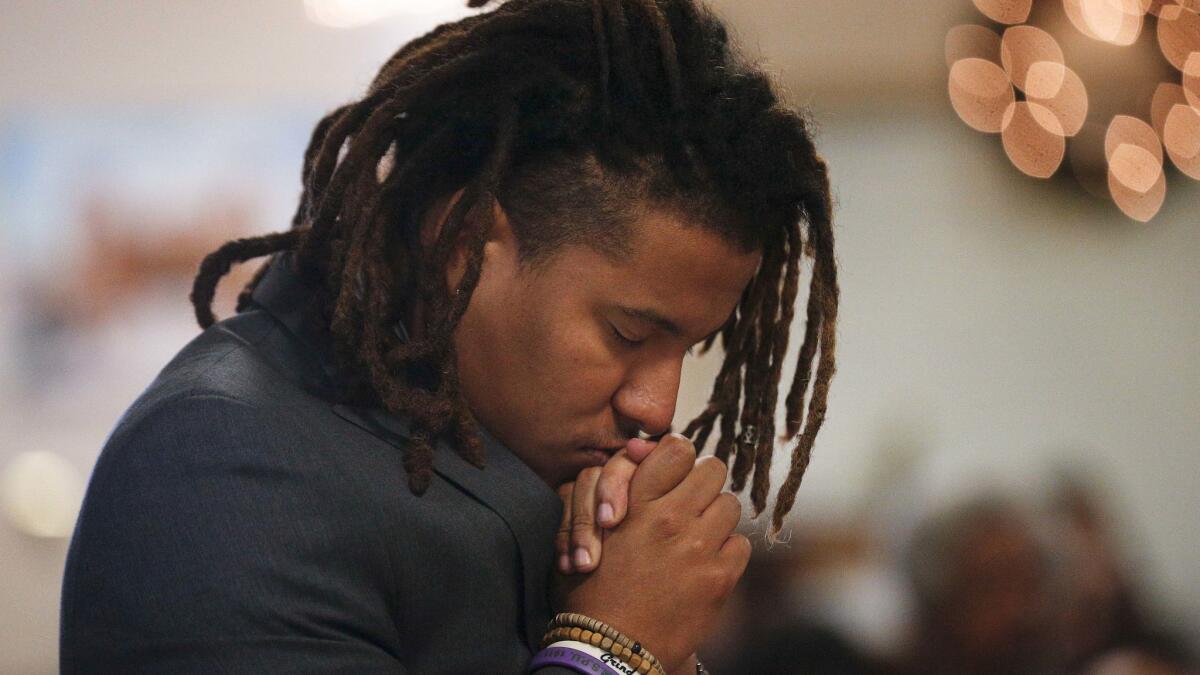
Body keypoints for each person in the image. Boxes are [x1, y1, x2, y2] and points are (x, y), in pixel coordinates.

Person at [59, 0, 839, 672]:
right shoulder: (220, 460)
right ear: (462, 242)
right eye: (628, 333)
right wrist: (614, 647)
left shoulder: (521, 459)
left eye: (692, 347)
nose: (657, 407)